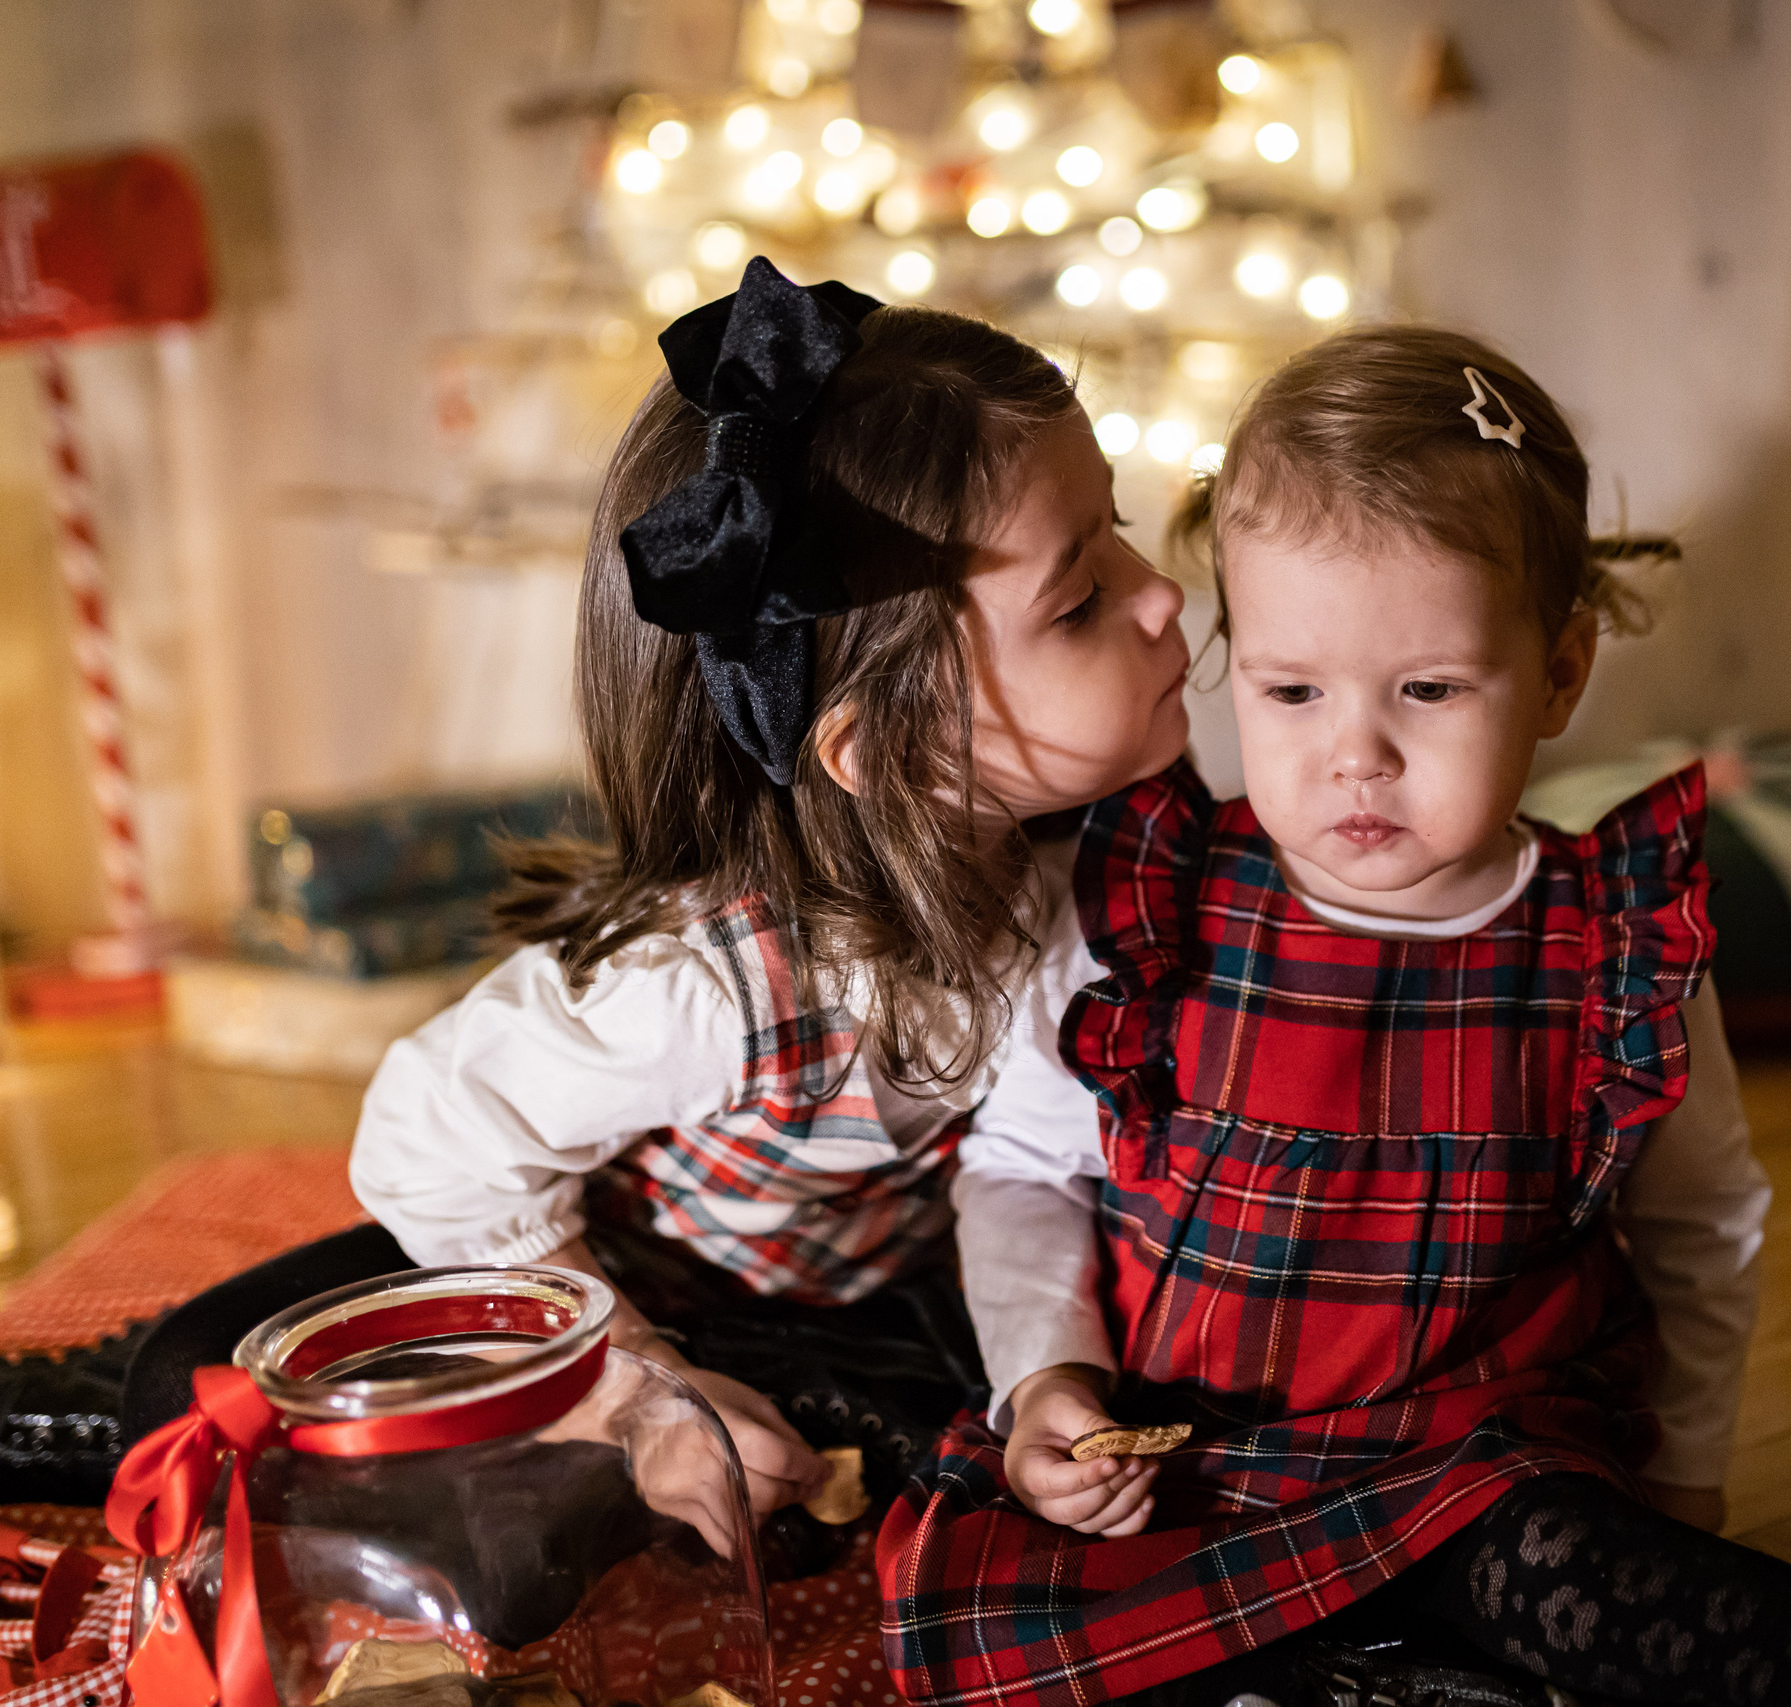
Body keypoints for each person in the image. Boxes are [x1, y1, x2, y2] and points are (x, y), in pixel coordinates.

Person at [878, 327, 1791, 1707]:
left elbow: (1703, 1225)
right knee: (1010, 1626)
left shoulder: (1615, 947)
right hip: (1190, 1459)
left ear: (1561, 672)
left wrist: (1688, 1470)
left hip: (1470, 1461)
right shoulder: (1151, 909)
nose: (1355, 753)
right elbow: (1022, 1168)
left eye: (1429, 690)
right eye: (1291, 690)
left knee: (1604, 1586)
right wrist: (1049, 1380)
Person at [119, 259, 1195, 1546]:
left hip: (852, 1302)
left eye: (1117, 527)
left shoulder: (1072, 886)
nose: (1162, 592)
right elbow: (430, 1138)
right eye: (1079, 599)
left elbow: (1027, 1172)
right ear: (890, 750)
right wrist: (631, 1392)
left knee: (938, 1477)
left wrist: (1043, 1380)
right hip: (606, 1282)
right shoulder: (703, 987)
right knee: (207, 1383)